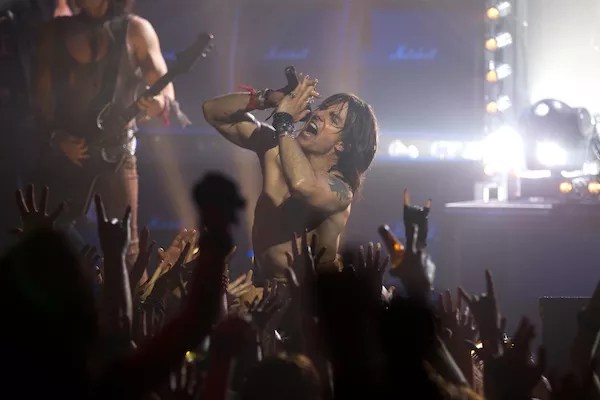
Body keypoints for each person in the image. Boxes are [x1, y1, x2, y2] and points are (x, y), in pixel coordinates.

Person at [31, 0, 177, 265]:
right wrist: (58, 137)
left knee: (127, 247)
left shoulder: (136, 30)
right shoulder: (53, 33)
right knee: (47, 237)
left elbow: (165, 88)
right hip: (68, 154)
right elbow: (40, 100)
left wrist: (159, 103)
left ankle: (131, 293)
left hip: (117, 154)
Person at [203, 73, 378, 280]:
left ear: (343, 145)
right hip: (262, 284)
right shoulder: (275, 150)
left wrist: (284, 122)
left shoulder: (340, 190)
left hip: (309, 294)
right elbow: (212, 111)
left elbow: (302, 186)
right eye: (322, 108)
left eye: (333, 119)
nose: (318, 114)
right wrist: (268, 98)